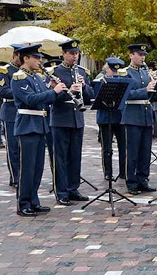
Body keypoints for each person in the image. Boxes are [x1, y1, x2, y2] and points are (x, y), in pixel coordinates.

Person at [11, 44, 67, 216]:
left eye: (40, 58)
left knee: (37, 168)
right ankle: (24, 203)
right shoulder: (19, 78)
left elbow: (47, 100)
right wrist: (53, 91)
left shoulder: (36, 77)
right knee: (26, 168)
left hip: (40, 125)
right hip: (27, 125)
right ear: (26, 58)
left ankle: (34, 201)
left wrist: (60, 91)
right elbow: (30, 99)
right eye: (36, 58)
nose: (40, 61)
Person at [49, 39, 94, 206]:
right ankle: (61, 192)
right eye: (71, 54)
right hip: (60, 119)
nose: (74, 57)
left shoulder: (82, 71)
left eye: (76, 54)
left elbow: (90, 96)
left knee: (75, 156)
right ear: (63, 54)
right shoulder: (54, 72)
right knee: (60, 157)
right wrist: (69, 91)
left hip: (77, 119)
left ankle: (73, 189)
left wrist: (83, 87)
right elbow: (51, 98)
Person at [119, 44, 157, 195]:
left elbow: (151, 96)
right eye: (139, 54)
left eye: (144, 55)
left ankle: (143, 179)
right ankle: (132, 181)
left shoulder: (145, 72)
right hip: (132, 115)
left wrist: (155, 85)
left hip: (146, 114)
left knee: (145, 151)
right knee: (133, 151)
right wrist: (145, 90)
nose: (143, 57)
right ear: (131, 55)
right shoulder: (125, 73)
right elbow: (125, 94)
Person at [93, 57, 127, 181]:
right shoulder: (100, 80)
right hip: (105, 118)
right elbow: (95, 97)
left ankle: (124, 171)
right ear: (107, 68)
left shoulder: (123, 80)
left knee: (123, 146)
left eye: (117, 70)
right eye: (112, 70)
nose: (114, 73)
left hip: (120, 117)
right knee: (107, 148)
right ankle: (108, 172)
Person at [0, 45, 23, 187]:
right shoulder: (5, 70)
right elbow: (2, 91)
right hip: (10, 111)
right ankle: (15, 177)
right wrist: (21, 93)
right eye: (21, 56)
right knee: (13, 147)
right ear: (15, 55)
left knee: (23, 147)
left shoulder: (26, 71)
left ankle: (23, 175)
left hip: (24, 111)